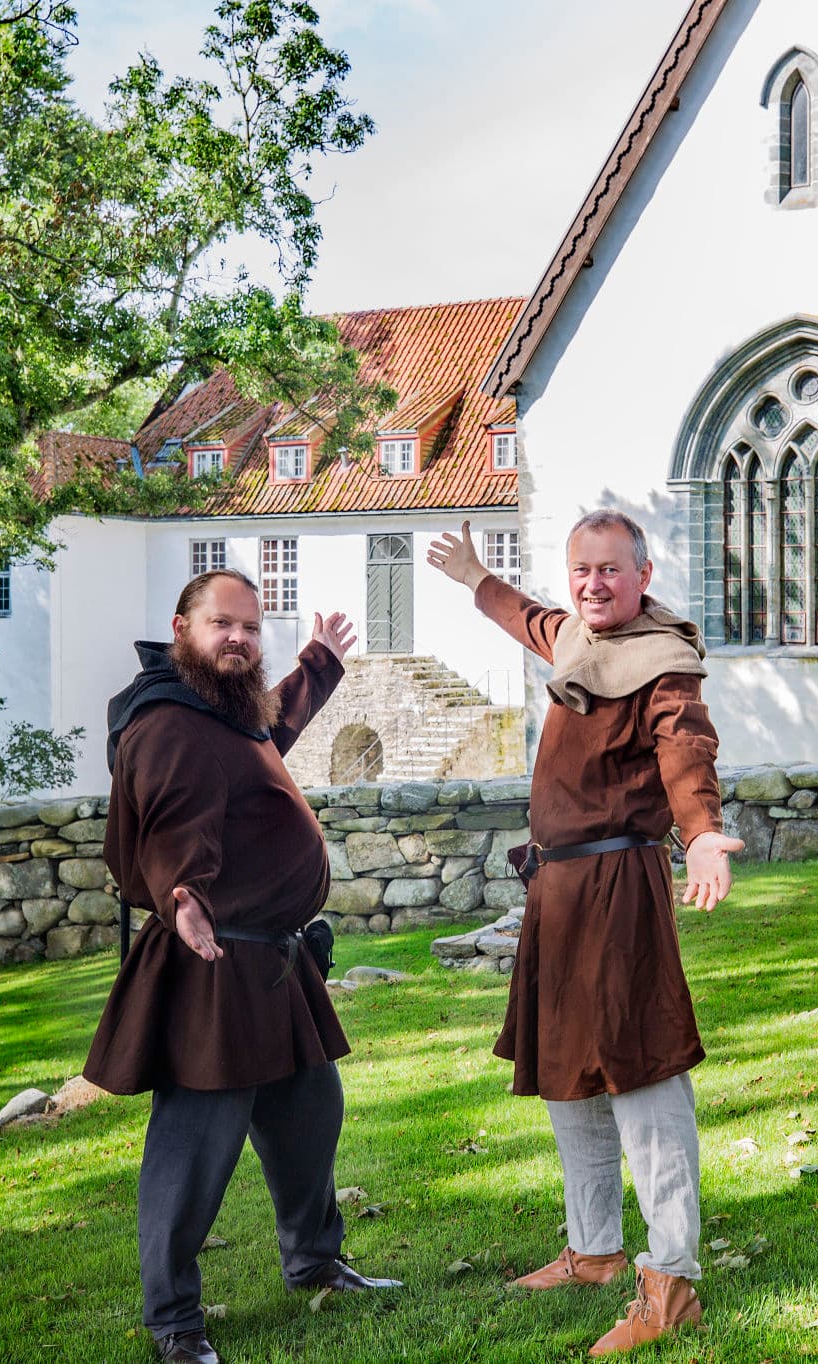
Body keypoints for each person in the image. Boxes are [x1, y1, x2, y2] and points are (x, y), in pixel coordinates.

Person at [427, 510, 743, 1355]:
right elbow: (529, 618)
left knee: (642, 1078)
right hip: (559, 892)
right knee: (569, 1075)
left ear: (643, 575)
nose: (593, 584)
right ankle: (595, 1249)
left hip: (619, 889)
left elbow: (686, 754)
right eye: (582, 571)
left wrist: (704, 832)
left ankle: (670, 1281)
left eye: (610, 570)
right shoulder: (578, 641)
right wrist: (472, 578)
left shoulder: (663, 665)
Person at [82, 568, 401, 1364]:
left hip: (277, 964)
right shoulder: (164, 723)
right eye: (222, 624)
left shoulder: (219, 709)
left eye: (252, 629)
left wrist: (319, 664)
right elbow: (168, 818)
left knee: (308, 1118)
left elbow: (270, 729)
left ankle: (316, 1261)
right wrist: (182, 893)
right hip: (211, 965)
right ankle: (174, 1324)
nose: (239, 639)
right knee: (195, 1154)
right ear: (181, 628)